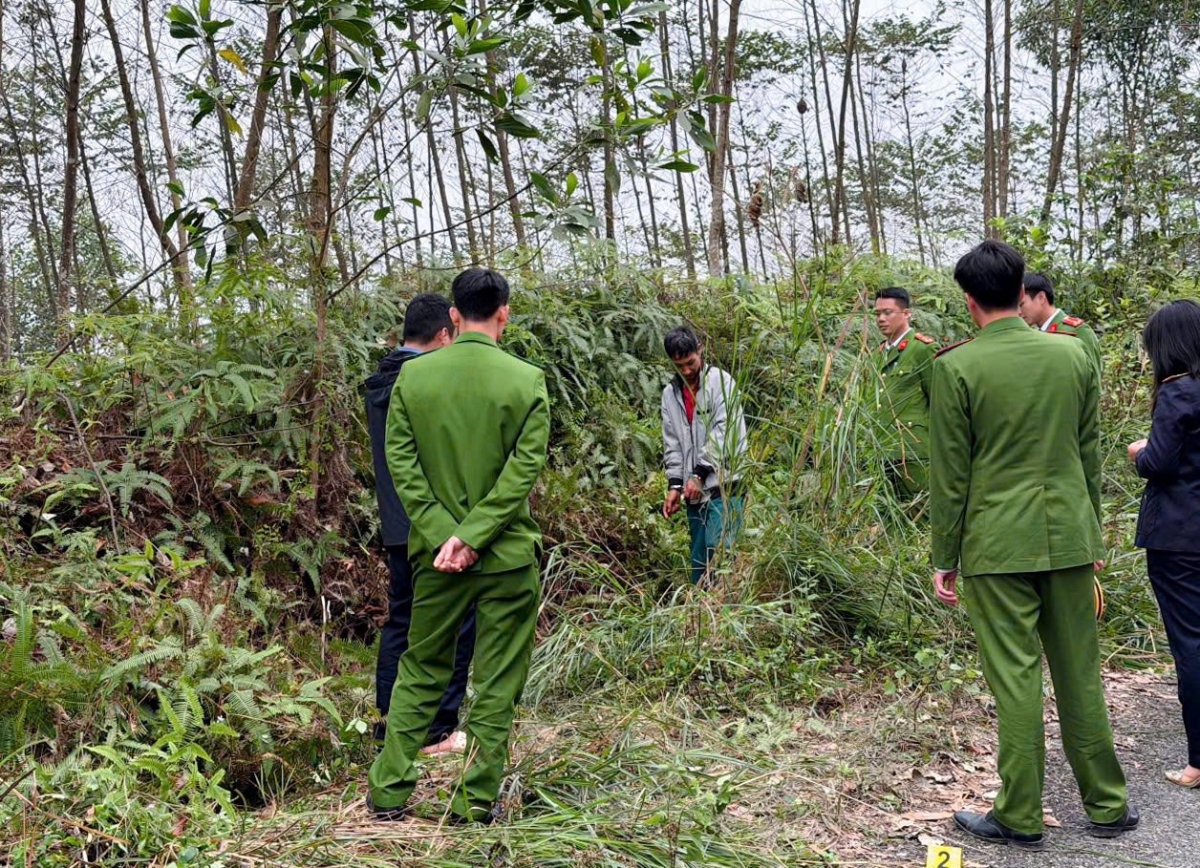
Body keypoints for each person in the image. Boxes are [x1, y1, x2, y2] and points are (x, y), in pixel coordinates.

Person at [930, 240, 1136, 850]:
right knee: (1080, 672)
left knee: (1016, 680)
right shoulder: (1073, 356)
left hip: (996, 546)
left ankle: (1020, 815)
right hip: (1070, 537)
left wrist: (946, 557)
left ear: (968, 300)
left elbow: (951, 475)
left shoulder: (956, 366)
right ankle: (1108, 805)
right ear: (1022, 291)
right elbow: (1088, 453)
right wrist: (1091, 531)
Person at [367, 268, 550, 824]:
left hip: (435, 558)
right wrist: (475, 535)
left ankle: (389, 793)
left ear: (453, 314)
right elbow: (523, 470)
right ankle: (475, 802)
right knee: (496, 682)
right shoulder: (527, 381)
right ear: (504, 313)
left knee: (420, 668)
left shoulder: (413, 382)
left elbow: (401, 463)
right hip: (507, 558)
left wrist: (446, 534)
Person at [364, 293, 476, 754]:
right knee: (456, 621)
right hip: (432, 524)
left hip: (395, 524)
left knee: (402, 621)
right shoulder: (423, 383)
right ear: (445, 334)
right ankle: (438, 732)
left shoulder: (380, 381)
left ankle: (389, 721)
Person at [1127, 299, 1200, 790]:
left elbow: (1160, 463)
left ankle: (1198, 760)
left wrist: (1139, 452)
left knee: (1191, 643)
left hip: (1179, 536)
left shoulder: (1178, 393)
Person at [660, 326, 748, 585]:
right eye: (679, 366)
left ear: (700, 350)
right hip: (693, 491)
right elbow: (672, 442)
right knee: (699, 560)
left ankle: (726, 615)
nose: (687, 370)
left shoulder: (721, 382)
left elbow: (727, 431)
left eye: (690, 362)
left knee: (720, 552)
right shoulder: (670, 395)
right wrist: (675, 485)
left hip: (725, 483)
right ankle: (700, 617)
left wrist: (699, 473)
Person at [871, 287, 937, 497]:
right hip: (883, 451)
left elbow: (940, 401)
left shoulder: (922, 349)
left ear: (906, 313)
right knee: (888, 521)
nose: (881, 319)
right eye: (877, 314)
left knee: (922, 517)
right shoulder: (877, 355)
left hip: (915, 452)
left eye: (887, 312)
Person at [1019, 272, 1102, 373]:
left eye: (1022, 304)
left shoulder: (1076, 330)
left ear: (1041, 298)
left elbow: (1092, 378)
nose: (1019, 311)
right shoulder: (1033, 334)